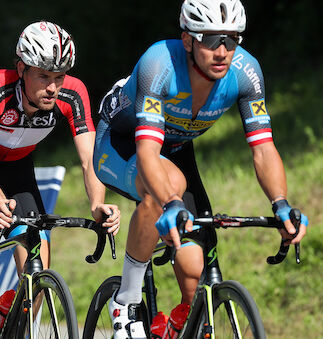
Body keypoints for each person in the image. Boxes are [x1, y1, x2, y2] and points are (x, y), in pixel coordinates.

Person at [93, 0, 309, 338]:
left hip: (176, 148)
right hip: (121, 141)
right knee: (165, 189)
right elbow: (148, 151)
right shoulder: (159, 63)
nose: (222, 50)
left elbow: (264, 149)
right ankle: (126, 300)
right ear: (188, 40)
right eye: (210, 39)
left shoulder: (246, 72)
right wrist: (170, 202)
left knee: (196, 277)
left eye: (232, 39)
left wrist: (281, 204)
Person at [0, 20, 121, 338]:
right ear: (21, 69)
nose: (53, 87)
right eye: (44, 76)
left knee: (37, 276)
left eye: (59, 77)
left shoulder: (72, 94)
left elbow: (89, 159)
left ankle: (7, 322)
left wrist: (97, 204)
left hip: (18, 168)